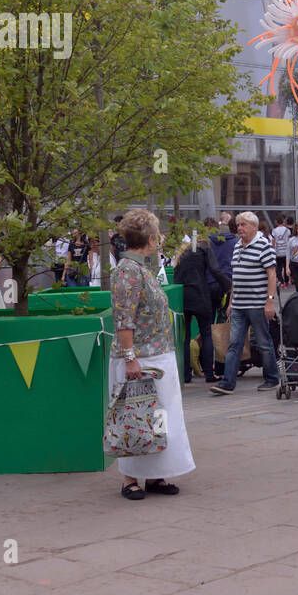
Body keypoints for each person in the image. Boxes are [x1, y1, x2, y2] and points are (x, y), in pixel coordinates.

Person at [110, 209, 194, 500]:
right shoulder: (127, 271)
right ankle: (129, 478)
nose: (161, 240)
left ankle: (156, 475)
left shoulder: (142, 268)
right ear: (149, 238)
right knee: (136, 417)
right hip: (141, 359)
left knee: (159, 418)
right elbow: (124, 319)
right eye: (157, 235)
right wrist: (130, 357)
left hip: (157, 356)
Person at [211, 212, 279, 394]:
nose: (239, 228)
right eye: (238, 224)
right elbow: (236, 277)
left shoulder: (264, 246)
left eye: (244, 225)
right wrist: (231, 302)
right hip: (239, 305)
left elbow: (272, 275)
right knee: (234, 344)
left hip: (257, 304)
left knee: (263, 342)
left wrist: (269, 302)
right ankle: (227, 383)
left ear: (254, 227)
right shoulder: (237, 246)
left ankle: (272, 378)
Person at [173, 220, 231, 385]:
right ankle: (208, 373)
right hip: (200, 295)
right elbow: (215, 270)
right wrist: (228, 287)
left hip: (183, 296)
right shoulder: (205, 249)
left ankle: (185, 374)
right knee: (206, 333)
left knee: (185, 336)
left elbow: (177, 276)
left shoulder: (182, 253)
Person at [272, 214, 292, 288]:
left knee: (279, 268)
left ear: (276, 222)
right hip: (286, 251)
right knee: (286, 266)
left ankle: (281, 282)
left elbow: (273, 242)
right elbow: (289, 240)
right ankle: (287, 281)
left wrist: (274, 250)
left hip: (278, 252)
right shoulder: (287, 230)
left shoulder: (274, 231)